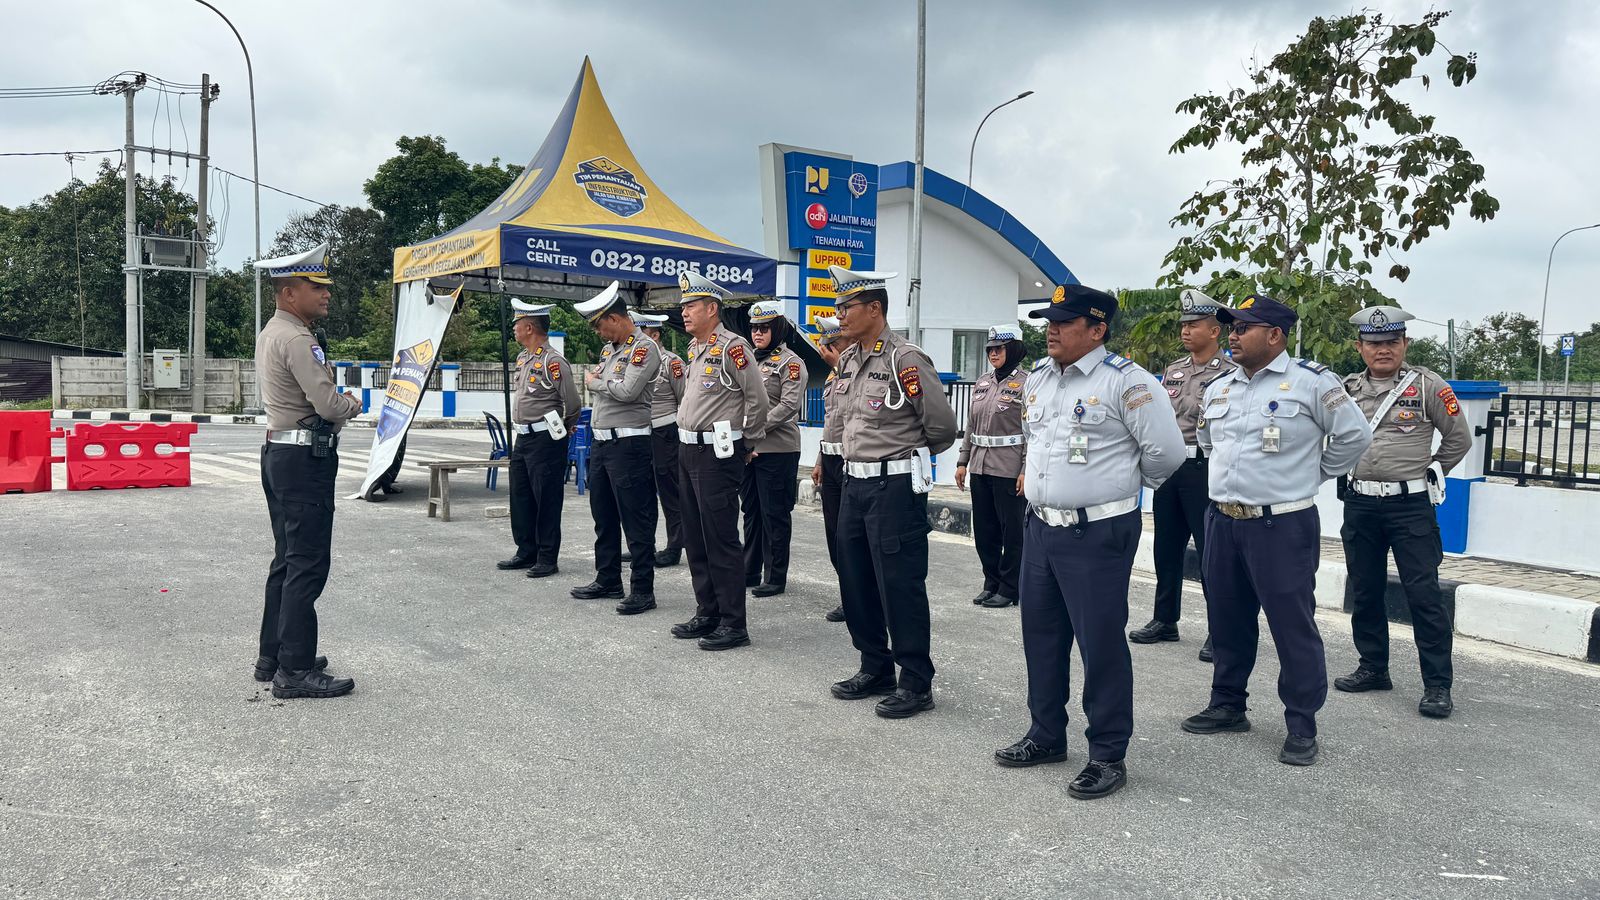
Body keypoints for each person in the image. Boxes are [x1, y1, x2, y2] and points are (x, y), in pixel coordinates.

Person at [992, 285, 1184, 800]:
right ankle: (1046, 735)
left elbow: (1166, 455)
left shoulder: (1128, 382)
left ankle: (1107, 753)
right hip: (1040, 527)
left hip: (1096, 532)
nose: (1051, 330)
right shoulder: (1038, 378)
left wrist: (1116, 487)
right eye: (1049, 321)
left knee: (1099, 644)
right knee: (1042, 637)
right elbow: (1037, 442)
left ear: (1097, 329)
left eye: (1064, 321)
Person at [1181, 293, 1372, 767]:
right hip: (1222, 520)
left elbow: (1354, 436)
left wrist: (1312, 473)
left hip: (1282, 523)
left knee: (1292, 625)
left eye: (1243, 327)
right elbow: (1207, 440)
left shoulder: (1312, 382)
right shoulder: (1220, 387)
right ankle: (1228, 704)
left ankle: (1301, 722)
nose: (1233, 335)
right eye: (1231, 327)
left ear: (1274, 335)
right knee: (1226, 618)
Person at [827, 265, 958, 719]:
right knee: (855, 579)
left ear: (874, 309)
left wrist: (903, 459)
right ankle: (874, 666)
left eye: (846, 307)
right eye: (838, 307)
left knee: (900, 585)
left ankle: (916, 682)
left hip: (894, 486)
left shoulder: (905, 359)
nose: (839, 315)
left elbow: (942, 427)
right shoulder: (848, 359)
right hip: (854, 483)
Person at [1335, 306, 1472, 718]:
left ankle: (1437, 685)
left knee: (1423, 595)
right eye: (1374, 343)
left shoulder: (1427, 385)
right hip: (1360, 503)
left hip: (1410, 506)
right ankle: (1373, 667)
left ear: (1405, 344)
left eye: (1392, 342)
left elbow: (1458, 439)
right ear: (1359, 347)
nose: (1383, 349)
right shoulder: (1346, 389)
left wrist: (1432, 473)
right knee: (1365, 589)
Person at [250, 242, 360, 700]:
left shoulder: (271, 331)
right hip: (303, 463)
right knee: (307, 564)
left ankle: (274, 655)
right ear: (290, 292)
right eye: (317, 287)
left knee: (287, 559)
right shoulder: (298, 339)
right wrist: (352, 403)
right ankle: (294, 670)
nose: (326, 294)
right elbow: (328, 405)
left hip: (279, 454)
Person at [1132, 289, 1237, 660]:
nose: (1185, 331)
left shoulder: (1230, 374)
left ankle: (1220, 630)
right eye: (1184, 325)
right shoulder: (1174, 370)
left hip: (1204, 467)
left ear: (1215, 331)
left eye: (1194, 325)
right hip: (1171, 469)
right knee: (1166, 547)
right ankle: (1165, 619)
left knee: (1211, 552)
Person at [669, 271, 768, 650]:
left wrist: (748, 442)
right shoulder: (695, 349)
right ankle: (707, 611)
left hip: (717, 453)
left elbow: (757, 399)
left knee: (721, 538)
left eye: (691, 306)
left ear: (712, 309)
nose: (684, 312)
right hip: (687, 450)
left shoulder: (733, 347)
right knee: (694, 537)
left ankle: (733, 622)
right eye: (683, 306)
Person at [572, 282, 660, 615]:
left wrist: (596, 383)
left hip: (629, 444)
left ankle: (642, 590)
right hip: (603, 443)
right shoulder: (610, 351)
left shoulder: (644, 348)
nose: (597, 333)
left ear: (614, 318)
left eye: (599, 325)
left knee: (636, 519)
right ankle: (608, 578)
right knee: (604, 516)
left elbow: (628, 391)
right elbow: (614, 386)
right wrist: (604, 384)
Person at [497, 300, 580, 579]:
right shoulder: (523, 358)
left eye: (517, 324)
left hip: (545, 439)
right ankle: (526, 550)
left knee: (546, 498)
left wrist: (564, 428)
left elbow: (573, 402)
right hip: (523, 437)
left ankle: (547, 556)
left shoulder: (553, 361)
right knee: (520, 495)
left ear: (529, 327)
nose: (514, 329)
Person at [955, 324, 1028, 609]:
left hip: (1009, 468)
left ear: (1014, 349)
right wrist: (963, 461)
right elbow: (971, 425)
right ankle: (992, 582)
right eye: (990, 350)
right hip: (980, 467)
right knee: (985, 531)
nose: (993, 354)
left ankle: (1010, 588)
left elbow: (1031, 431)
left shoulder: (1027, 383)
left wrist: (1025, 469)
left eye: (999, 349)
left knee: (1012, 532)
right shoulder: (982, 382)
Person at [742, 300, 808, 598]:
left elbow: (788, 406)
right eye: (754, 328)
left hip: (778, 449)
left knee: (775, 514)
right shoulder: (749, 360)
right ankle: (750, 570)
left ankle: (775, 576)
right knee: (751, 511)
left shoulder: (791, 363)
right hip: (749, 448)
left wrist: (753, 429)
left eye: (764, 328)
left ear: (777, 329)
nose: (758, 333)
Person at [634, 310, 687, 569]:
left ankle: (675, 546)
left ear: (654, 335)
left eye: (641, 334)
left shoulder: (671, 362)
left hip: (666, 432)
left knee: (670, 492)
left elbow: (684, 399)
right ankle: (644, 545)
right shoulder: (636, 361)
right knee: (642, 492)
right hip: (641, 433)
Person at [808, 315, 849, 623]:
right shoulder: (833, 376)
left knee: (850, 534)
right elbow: (830, 421)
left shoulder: (855, 373)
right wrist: (820, 459)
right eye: (826, 344)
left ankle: (863, 597)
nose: (827, 350)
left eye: (833, 343)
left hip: (852, 461)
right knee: (834, 533)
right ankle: (849, 595)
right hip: (831, 459)